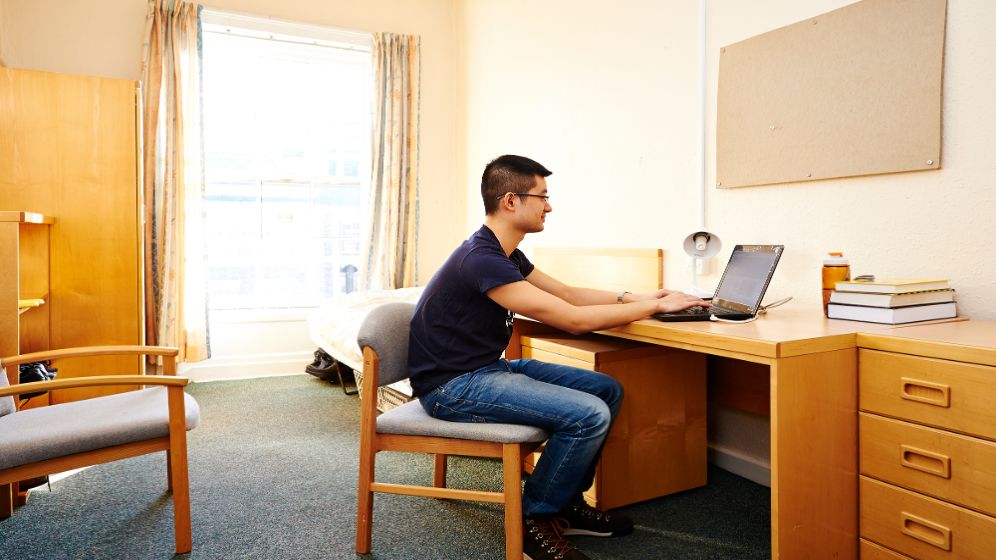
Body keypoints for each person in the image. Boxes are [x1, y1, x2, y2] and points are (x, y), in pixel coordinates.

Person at [408, 155, 709, 560]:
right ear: (511, 201)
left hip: (485, 369)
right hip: (452, 386)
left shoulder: (505, 254)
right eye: (543, 197)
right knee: (588, 414)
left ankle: (565, 503)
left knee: (607, 389)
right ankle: (535, 520)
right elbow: (571, 320)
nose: (549, 206)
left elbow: (566, 294)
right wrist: (654, 310)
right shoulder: (481, 259)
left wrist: (641, 296)